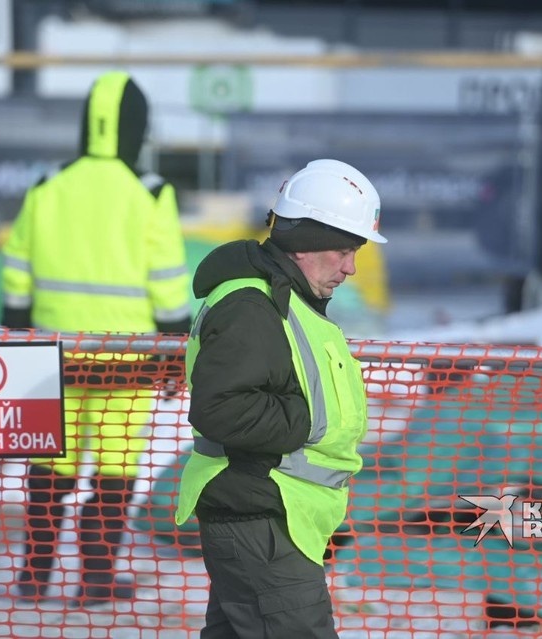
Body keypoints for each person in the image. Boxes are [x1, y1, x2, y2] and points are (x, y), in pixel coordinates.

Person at [1, 70, 192, 606]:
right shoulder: (152, 193)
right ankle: (96, 580)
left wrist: (17, 333)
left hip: (51, 358)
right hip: (128, 363)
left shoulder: (47, 186)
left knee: (50, 468)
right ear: (137, 128)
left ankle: (34, 577)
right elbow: (169, 286)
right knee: (114, 471)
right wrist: (176, 352)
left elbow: (16, 268)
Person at [175, 159, 387, 637]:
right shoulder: (252, 305)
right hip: (262, 521)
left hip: (279, 519)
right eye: (342, 251)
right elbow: (221, 408)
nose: (351, 267)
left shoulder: (291, 303)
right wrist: (303, 419)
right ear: (305, 242)